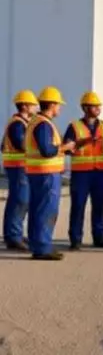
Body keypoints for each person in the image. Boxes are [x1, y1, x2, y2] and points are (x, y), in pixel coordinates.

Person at [25, 86, 76, 261]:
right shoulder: (43, 124)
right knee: (46, 210)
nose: (60, 108)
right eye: (59, 105)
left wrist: (62, 149)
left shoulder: (35, 121)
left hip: (38, 172)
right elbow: (47, 150)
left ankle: (36, 244)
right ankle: (42, 247)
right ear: (52, 105)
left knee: (37, 208)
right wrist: (65, 147)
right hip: (46, 173)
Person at [63, 91, 103, 250]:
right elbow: (67, 149)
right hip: (81, 173)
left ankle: (99, 237)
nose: (98, 108)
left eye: (98, 106)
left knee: (99, 206)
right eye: (94, 106)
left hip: (99, 172)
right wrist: (83, 142)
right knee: (78, 206)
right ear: (85, 108)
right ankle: (75, 239)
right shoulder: (74, 126)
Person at [3, 90, 38, 251]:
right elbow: (21, 144)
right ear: (24, 106)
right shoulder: (18, 124)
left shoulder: (23, 123)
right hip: (17, 167)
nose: (35, 107)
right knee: (20, 200)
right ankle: (14, 236)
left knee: (20, 200)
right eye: (32, 104)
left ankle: (14, 234)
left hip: (21, 167)